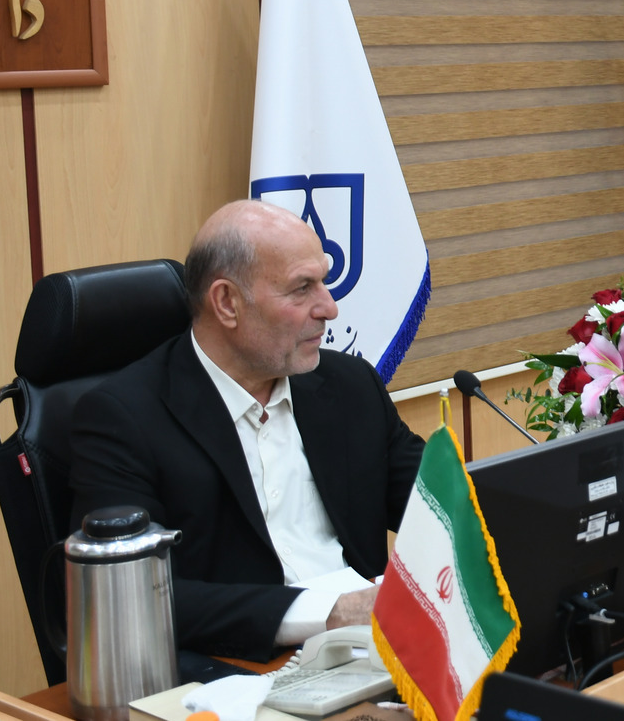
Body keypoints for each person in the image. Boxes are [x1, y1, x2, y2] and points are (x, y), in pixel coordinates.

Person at [69, 200, 425, 658]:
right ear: (227, 303)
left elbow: (440, 509)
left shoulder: (350, 386)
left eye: (324, 282)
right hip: (240, 666)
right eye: (302, 288)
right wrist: (332, 612)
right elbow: (130, 595)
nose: (330, 308)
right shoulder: (122, 418)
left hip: (373, 653)